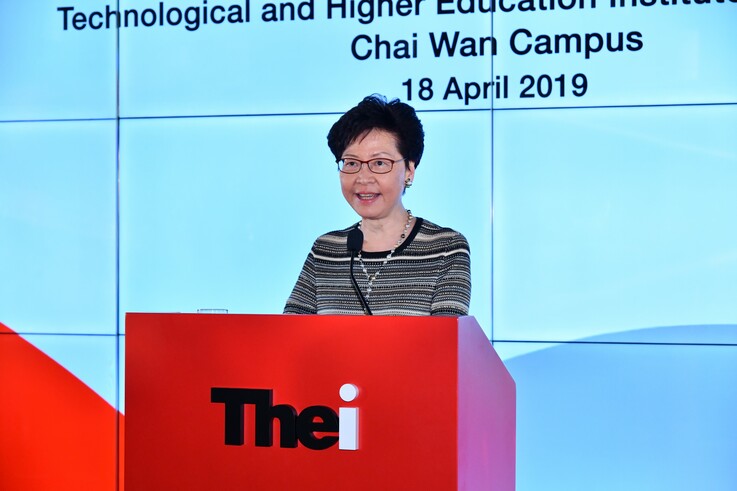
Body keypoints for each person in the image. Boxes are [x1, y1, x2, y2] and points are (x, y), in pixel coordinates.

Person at [284, 95, 471, 316]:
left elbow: (445, 343)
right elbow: (291, 338)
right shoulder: (325, 250)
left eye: (379, 163)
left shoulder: (446, 248)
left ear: (409, 170)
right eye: (351, 163)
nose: (363, 178)